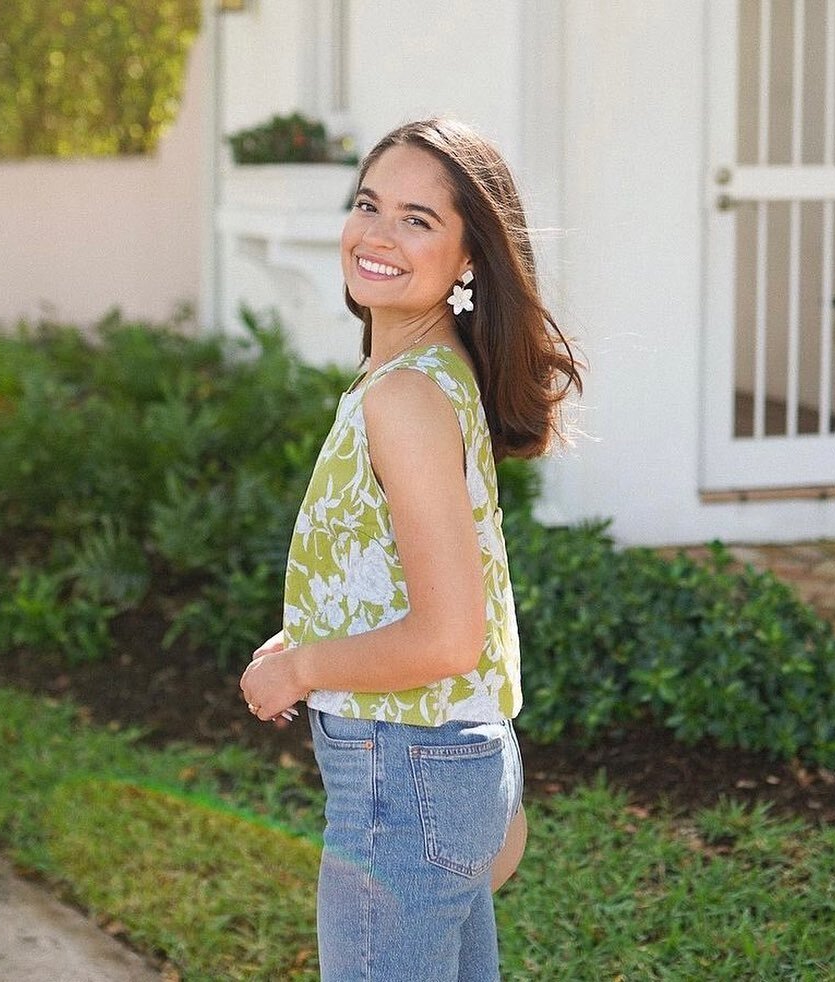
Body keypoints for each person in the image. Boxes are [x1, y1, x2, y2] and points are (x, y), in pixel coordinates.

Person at [240, 117, 581, 981]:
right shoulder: (429, 371)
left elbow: (445, 638)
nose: (377, 235)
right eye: (368, 204)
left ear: (470, 258)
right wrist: (314, 630)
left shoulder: (407, 398)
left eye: (418, 219)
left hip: (408, 782)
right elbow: (407, 578)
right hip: (447, 771)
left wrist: (302, 669)